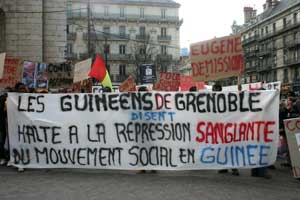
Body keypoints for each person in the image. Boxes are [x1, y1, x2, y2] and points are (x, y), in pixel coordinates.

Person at [212, 83, 240, 176]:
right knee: (221, 148)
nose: (213, 91)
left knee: (230, 148)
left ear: (219, 89)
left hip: (228, 128)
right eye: (213, 89)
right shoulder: (212, 99)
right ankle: (223, 167)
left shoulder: (226, 98)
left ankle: (234, 168)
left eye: (215, 89)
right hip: (218, 129)